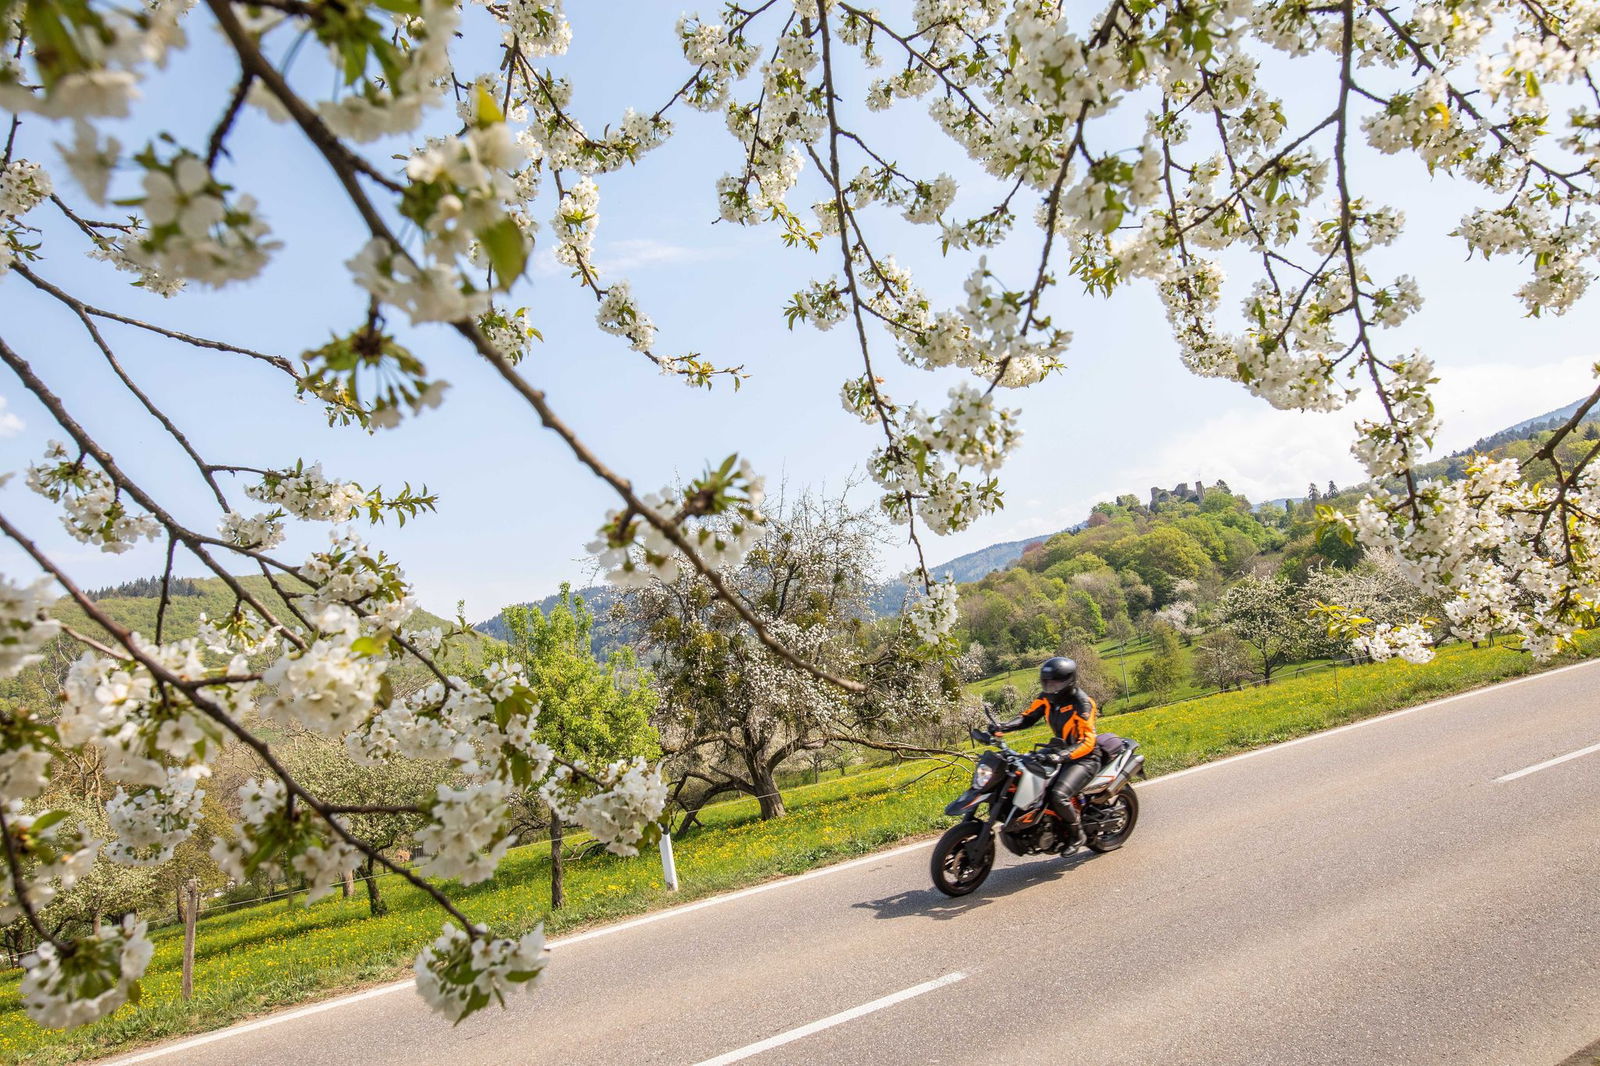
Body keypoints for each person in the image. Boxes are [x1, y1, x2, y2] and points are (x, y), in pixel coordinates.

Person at [993, 656, 1100, 846]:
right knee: (1021, 773)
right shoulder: (1046, 698)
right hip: (1058, 751)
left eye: (1055, 683)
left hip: (1085, 758)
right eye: (1047, 682)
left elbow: (1087, 741)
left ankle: (1077, 835)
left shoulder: (1082, 703)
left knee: (1058, 795)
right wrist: (1003, 726)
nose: (1050, 687)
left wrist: (1062, 755)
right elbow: (1027, 717)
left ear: (1069, 681)